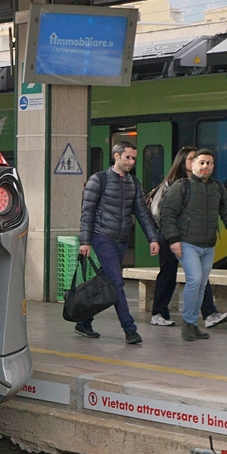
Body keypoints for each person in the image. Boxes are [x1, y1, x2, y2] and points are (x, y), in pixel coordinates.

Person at [76, 141, 162, 345]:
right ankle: (129, 329)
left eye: (133, 158)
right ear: (116, 156)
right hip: (102, 236)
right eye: (127, 157)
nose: (131, 162)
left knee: (106, 280)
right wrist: (85, 241)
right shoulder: (99, 179)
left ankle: (84, 321)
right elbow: (87, 211)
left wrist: (153, 238)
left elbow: (142, 213)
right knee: (116, 282)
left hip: (121, 240)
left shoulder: (134, 183)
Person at [159, 148, 227, 341]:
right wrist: (173, 240)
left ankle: (192, 324)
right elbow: (168, 214)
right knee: (195, 280)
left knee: (201, 285)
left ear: (213, 166)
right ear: (193, 165)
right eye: (202, 162)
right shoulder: (182, 186)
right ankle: (187, 324)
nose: (205, 166)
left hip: (208, 246)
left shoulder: (217, 188)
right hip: (187, 243)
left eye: (209, 163)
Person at [147, 148, 226, 328]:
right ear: (183, 162)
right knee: (168, 273)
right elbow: (159, 212)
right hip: (170, 236)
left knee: (198, 277)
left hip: (191, 238)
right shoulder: (173, 184)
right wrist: (172, 233)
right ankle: (159, 312)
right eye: (192, 159)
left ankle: (209, 313)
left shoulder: (203, 184)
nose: (198, 162)